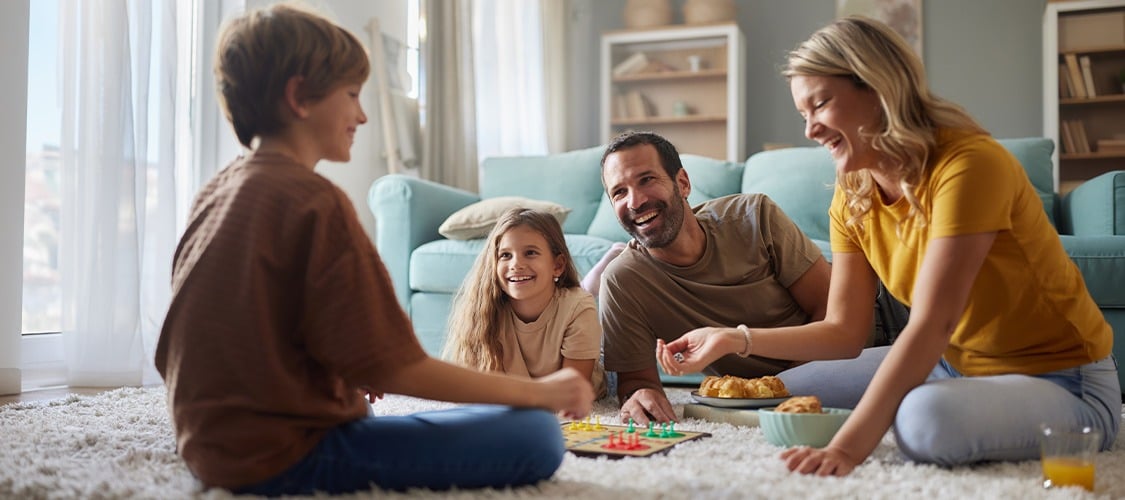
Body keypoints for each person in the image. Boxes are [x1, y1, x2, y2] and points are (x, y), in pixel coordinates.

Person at [154, 5, 592, 496]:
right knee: (535, 433)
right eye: (351, 94)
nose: (362, 114)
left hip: (206, 445)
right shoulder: (314, 201)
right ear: (299, 96)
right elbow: (397, 368)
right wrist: (540, 392)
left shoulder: (215, 192)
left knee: (444, 409)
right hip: (280, 457)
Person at [659, 16, 1120, 475]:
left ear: (878, 89)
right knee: (778, 393)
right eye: (803, 114)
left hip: (1063, 380)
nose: (810, 130)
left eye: (820, 105)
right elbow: (844, 330)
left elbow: (933, 323)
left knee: (921, 421)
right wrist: (734, 338)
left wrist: (846, 449)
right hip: (951, 365)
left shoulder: (970, 165)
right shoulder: (854, 190)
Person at [599, 130, 897, 425]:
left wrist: (773, 386)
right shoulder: (623, 281)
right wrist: (640, 395)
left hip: (883, 324)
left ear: (683, 183)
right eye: (619, 192)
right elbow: (635, 380)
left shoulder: (753, 218)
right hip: (797, 376)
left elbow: (830, 310)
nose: (635, 201)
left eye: (646, 180)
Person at [444, 207, 608, 399]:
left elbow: (570, 392)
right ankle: (590, 282)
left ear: (557, 265)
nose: (516, 264)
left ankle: (597, 277)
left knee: (582, 300)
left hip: (591, 380)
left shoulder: (578, 307)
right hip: (531, 391)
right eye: (505, 255)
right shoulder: (485, 310)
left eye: (530, 253)